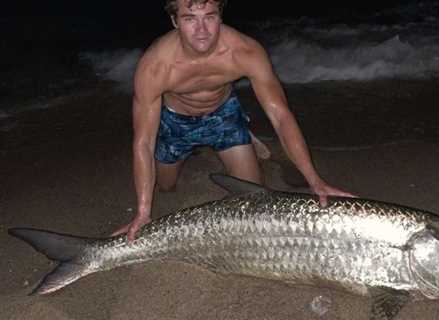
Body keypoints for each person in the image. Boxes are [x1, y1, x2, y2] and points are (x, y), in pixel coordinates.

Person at [112, 0, 354, 241]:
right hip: (176, 123)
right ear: (175, 21)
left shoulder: (244, 52)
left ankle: (239, 136)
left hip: (223, 116)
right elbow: (144, 142)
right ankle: (196, 148)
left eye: (209, 17)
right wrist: (143, 212)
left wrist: (314, 180)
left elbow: (280, 116)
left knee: (251, 198)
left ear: (221, 16)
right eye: (190, 19)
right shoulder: (156, 66)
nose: (202, 30)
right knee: (165, 186)